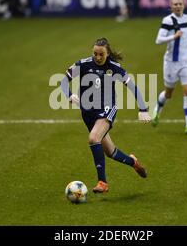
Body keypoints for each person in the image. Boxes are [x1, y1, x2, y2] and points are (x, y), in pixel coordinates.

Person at [61, 37, 151, 193]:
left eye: (101, 54)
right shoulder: (83, 64)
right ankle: (133, 162)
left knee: (93, 138)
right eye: (95, 53)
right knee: (110, 152)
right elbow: (63, 81)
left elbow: (133, 87)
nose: (97, 57)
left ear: (107, 53)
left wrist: (143, 109)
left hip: (107, 109)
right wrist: (69, 95)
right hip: (87, 112)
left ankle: (102, 182)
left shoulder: (114, 68)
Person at [151, 0, 187, 135]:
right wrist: (174, 36)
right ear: (171, 7)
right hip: (171, 62)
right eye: (175, 4)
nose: (178, 6)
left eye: (180, 4)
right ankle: (157, 111)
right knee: (168, 93)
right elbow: (158, 40)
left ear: (184, 5)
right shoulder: (168, 20)